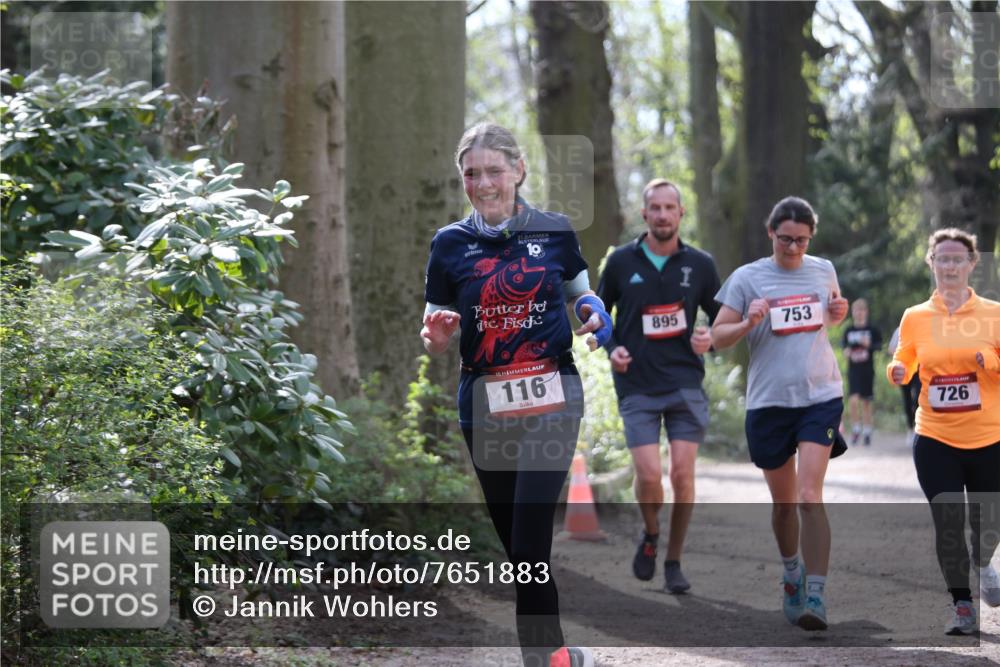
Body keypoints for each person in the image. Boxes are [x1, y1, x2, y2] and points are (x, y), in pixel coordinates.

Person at [421, 123, 606, 667]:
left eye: (494, 171)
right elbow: (432, 325)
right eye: (471, 174)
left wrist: (594, 315)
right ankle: (558, 655)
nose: (483, 183)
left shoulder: (555, 231)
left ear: (519, 170)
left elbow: (581, 295)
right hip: (484, 403)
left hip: (552, 393)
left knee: (529, 546)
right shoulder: (448, 244)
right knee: (520, 556)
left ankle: (545, 661)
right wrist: (434, 336)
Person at [711, 196, 848, 631]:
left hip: (819, 395)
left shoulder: (823, 269)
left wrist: (839, 313)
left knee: (810, 496)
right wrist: (748, 323)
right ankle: (792, 574)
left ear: (811, 237)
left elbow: (828, 320)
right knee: (785, 504)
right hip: (769, 401)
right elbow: (718, 337)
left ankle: (816, 595)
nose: (793, 248)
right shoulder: (746, 279)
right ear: (771, 233)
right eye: (786, 239)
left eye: (802, 241)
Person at [595, 179, 720, 593]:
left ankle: (674, 560)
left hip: (685, 381)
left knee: (682, 475)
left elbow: (721, 317)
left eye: (671, 207)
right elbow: (599, 317)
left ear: (681, 214)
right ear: (644, 214)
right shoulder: (619, 263)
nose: (663, 214)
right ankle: (651, 534)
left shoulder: (701, 265)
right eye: (656, 208)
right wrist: (611, 347)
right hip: (637, 383)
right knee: (649, 474)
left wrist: (711, 338)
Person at [887, 228, 1000, 635]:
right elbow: (904, 359)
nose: (950, 265)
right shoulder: (915, 316)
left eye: (958, 259)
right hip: (935, 435)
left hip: (990, 437)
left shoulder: (994, 313)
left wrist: (986, 358)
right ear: (931, 263)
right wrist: (897, 372)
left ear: (972, 264)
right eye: (942, 258)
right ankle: (962, 606)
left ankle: (984, 562)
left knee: (988, 524)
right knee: (948, 523)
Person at [841, 298, 882, 445]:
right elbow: (844, 347)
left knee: (866, 402)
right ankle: (856, 428)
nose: (859, 313)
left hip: (867, 370)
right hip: (853, 371)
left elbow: (879, 346)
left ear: (866, 312)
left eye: (862, 310)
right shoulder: (848, 330)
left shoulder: (872, 329)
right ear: (853, 312)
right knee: (853, 400)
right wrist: (846, 351)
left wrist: (869, 345)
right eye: (856, 310)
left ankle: (867, 431)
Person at [888, 325, 921, 447]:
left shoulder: (921, 328)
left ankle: (918, 427)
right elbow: (891, 349)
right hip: (904, 369)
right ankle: (910, 428)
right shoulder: (899, 330)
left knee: (918, 398)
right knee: (907, 400)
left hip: (918, 370)